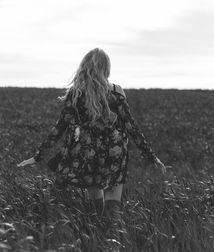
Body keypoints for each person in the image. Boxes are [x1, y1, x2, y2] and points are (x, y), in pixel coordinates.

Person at [17, 48, 167, 237]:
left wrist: (38, 156)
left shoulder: (76, 93)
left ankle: (96, 236)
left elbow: (60, 127)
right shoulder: (116, 91)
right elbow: (131, 126)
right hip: (114, 152)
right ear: (107, 68)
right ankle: (113, 241)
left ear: (84, 67)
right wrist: (151, 156)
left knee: (96, 197)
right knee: (113, 203)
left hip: (87, 152)